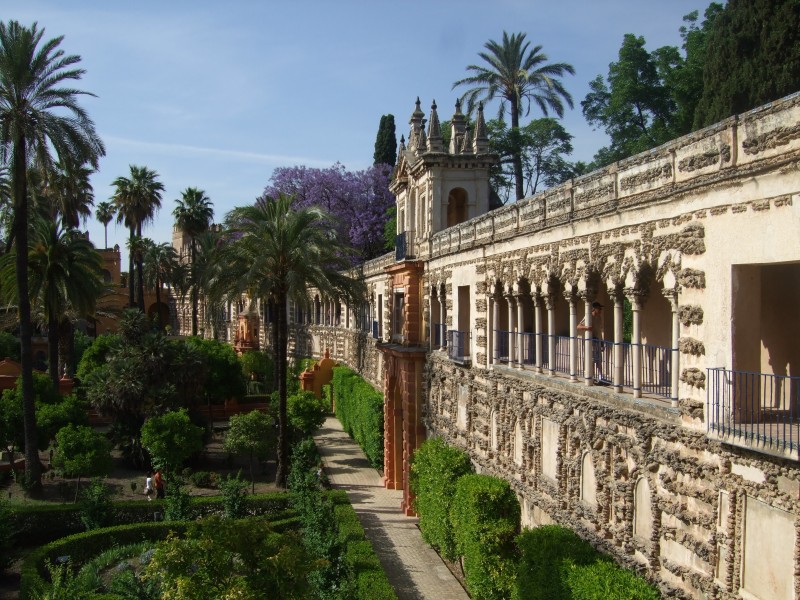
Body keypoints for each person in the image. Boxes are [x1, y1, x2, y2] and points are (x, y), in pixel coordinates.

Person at [577, 301, 605, 384]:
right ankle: (591, 376)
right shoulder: (589, 317)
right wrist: (587, 327)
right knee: (592, 359)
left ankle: (601, 377)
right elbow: (578, 326)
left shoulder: (599, 317)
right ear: (594, 309)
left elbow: (600, 331)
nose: (600, 310)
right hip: (591, 341)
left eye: (600, 309)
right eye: (599, 309)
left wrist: (602, 342)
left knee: (599, 359)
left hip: (597, 340)